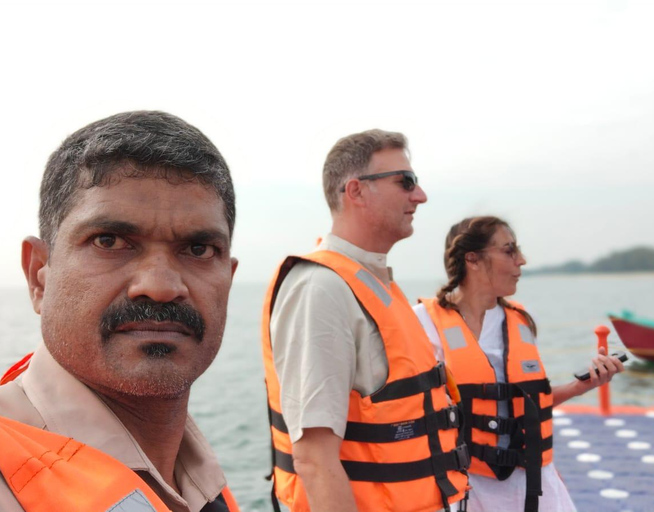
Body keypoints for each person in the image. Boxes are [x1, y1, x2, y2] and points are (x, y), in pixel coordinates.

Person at [0, 111, 241, 512]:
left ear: (228, 280)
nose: (161, 287)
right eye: (109, 241)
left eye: (198, 250)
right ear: (38, 274)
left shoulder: (191, 471)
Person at [262, 129, 469, 512]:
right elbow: (313, 459)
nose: (419, 196)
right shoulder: (320, 289)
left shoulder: (376, 284)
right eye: (405, 182)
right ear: (355, 191)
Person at [413, 216, 625, 512]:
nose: (521, 260)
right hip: (464, 487)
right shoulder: (421, 324)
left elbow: (528, 406)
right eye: (509, 250)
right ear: (472, 260)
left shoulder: (519, 320)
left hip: (534, 485)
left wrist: (580, 386)